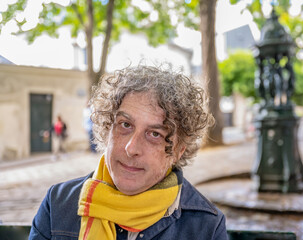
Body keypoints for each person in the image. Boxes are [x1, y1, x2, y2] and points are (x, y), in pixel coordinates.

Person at [29, 65, 228, 240]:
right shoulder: (58, 205)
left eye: (155, 134)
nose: (131, 148)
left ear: (178, 151)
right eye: (125, 124)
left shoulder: (206, 226)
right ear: (107, 129)